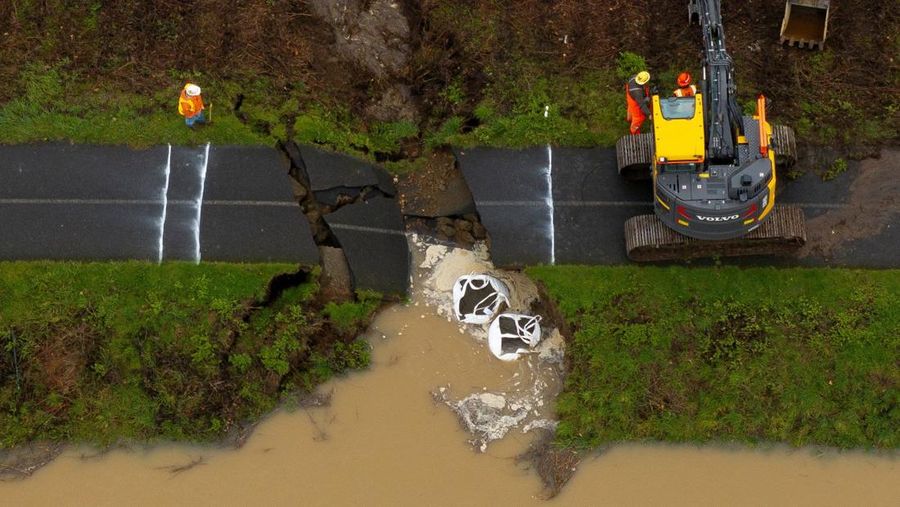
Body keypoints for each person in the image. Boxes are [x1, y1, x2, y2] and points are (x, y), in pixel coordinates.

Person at [625, 71, 651, 135]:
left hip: (632, 97)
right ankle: (635, 135)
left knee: (630, 118)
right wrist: (649, 114)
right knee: (638, 119)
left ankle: (631, 120)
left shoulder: (634, 77)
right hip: (635, 103)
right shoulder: (637, 92)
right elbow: (641, 105)